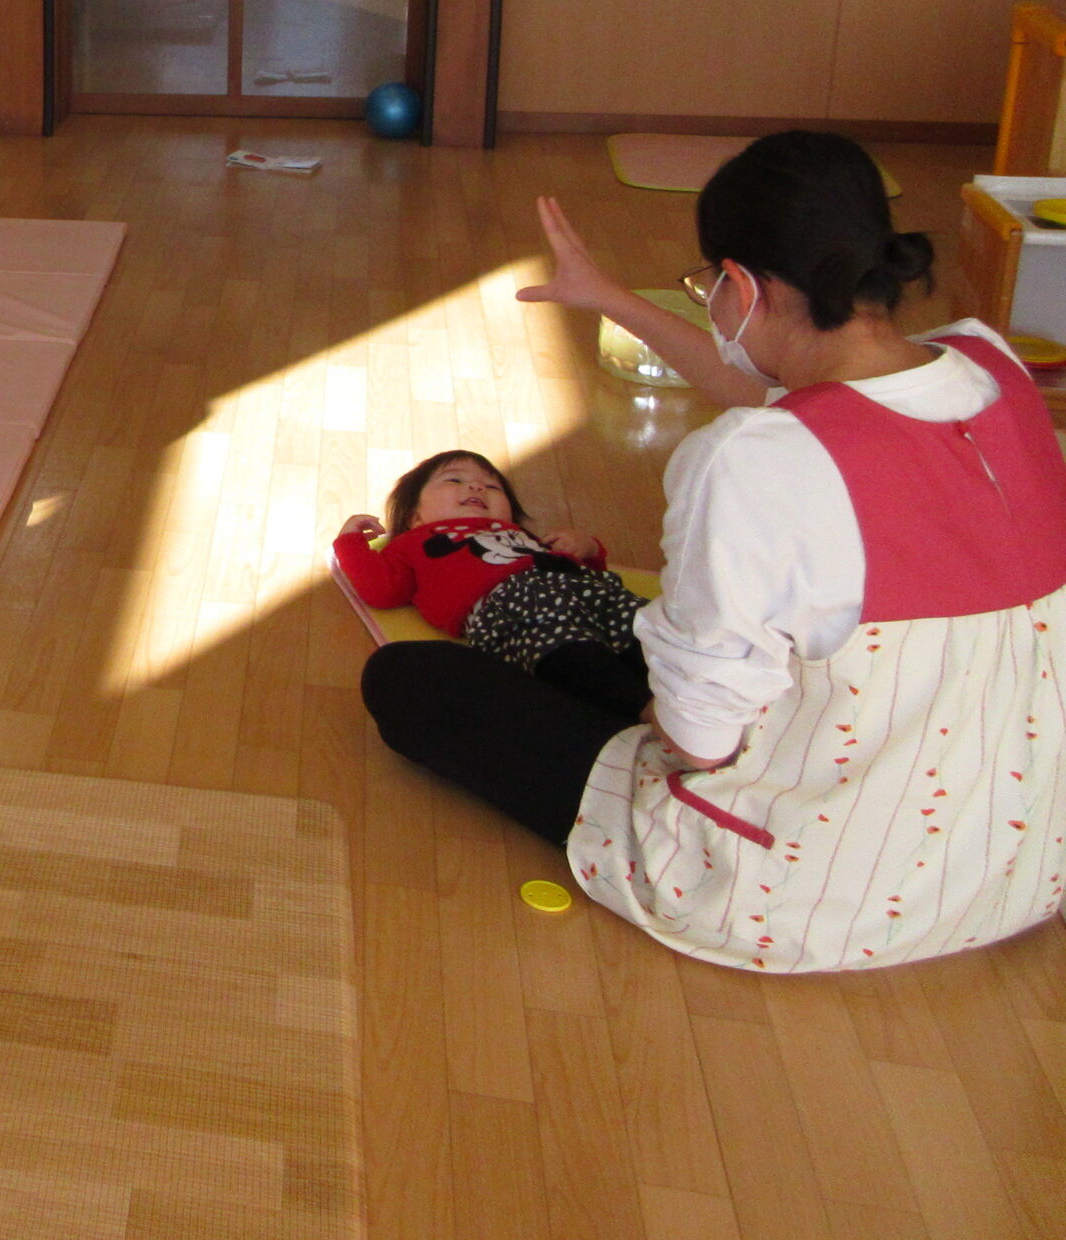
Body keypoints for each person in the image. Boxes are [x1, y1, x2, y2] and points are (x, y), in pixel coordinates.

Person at [363, 131, 1066, 973]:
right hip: (1022, 853)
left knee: (409, 682)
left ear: (736, 284)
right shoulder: (993, 369)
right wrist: (614, 300)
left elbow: (698, 741)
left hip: (821, 895)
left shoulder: (748, 458)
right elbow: (806, 400)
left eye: (708, 287)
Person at [337, 449, 648, 716]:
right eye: (454, 480)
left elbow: (586, 567)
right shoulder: (413, 542)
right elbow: (381, 589)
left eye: (493, 486)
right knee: (573, 658)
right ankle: (649, 712)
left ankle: (687, 692)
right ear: (414, 516)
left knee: (653, 629)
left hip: (590, 590)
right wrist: (350, 542)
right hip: (515, 609)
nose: (476, 486)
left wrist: (587, 547)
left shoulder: (524, 537)